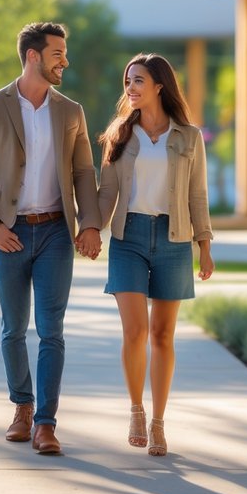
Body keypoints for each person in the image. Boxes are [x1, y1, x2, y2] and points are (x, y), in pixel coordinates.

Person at [0, 21, 103, 456]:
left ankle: (46, 423)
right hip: (9, 232)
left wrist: (91, 224)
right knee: (12, 329)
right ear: (33, 56)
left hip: (56, 233)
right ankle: (21, 408)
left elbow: (83, 171)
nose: (66, 60)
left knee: (52, 331)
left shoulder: (71, 111)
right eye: (58, 53)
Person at [94, 52, 214, 457]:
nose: (130, 88)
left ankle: (159, 422)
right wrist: (90, 228)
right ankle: (135, 410)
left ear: (159, 85)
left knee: (163, 335)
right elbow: (107, 191)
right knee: (136, 331)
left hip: (174, 238)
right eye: (127, 81)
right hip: (128, 238)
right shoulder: (120, 135)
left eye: (138, 80)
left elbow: (197, 194)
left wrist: (205, 245)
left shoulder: (189, 137)